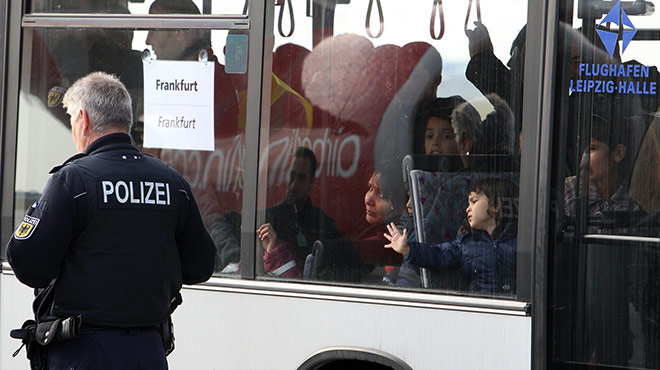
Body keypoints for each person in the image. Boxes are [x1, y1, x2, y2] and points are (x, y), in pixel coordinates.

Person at [6, 72, 216, 369]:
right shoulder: (172, 182)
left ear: (84, 119)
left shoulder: (72, 180)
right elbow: (201, 265)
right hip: (148, 351)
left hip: (83, 353)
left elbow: (27, 262)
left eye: (71, 121)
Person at [384, 177, 518, 294]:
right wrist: (408, 249)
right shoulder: (467, 242)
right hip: (478, 307)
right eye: (468, 203)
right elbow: (438, 254)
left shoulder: (519, 240)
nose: (467, 208)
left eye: (474, 201)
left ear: (495, 206)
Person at [253, 147, 361, 281]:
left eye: (301, 178)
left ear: (311, 183)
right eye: (292, 176)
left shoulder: (323, 223)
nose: (294, 185)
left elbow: (350, 260)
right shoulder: (269, 219)